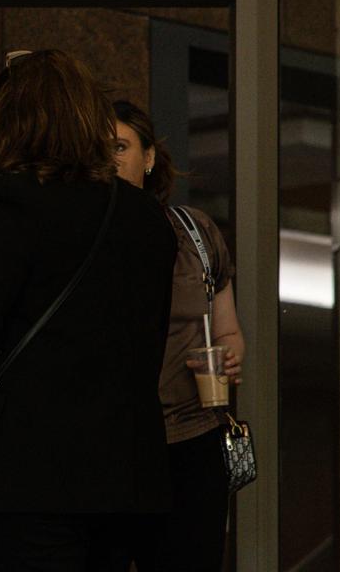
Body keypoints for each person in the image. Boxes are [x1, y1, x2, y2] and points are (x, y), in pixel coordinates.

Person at [0, 49, 176, 571]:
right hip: (127, 472)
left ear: (16, 121)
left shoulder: (13, 202)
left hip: (35, 471)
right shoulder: (146, 216)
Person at [112, 100, 246, 571]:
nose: (110, 158)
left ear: (149, 158)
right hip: (114, 444)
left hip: (191, 437)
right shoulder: (87, 239)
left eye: (120, 146)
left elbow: (228, 329)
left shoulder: (194, 231)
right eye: (98, 150)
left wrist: (229, 358)